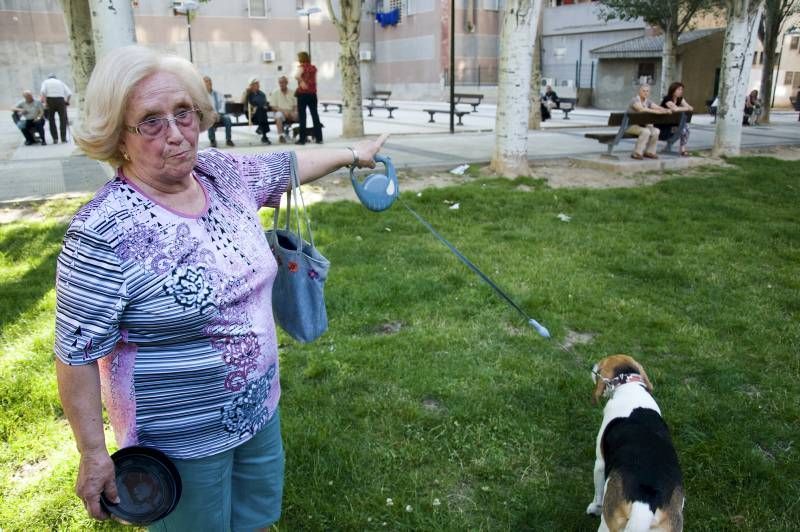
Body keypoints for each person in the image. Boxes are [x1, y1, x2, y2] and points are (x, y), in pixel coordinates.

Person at [58, 45, 388, 531]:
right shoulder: (101, 232)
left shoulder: (223, 174)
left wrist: (351, 155)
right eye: (150, 121)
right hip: (178, 442)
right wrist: (92, 452)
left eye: (183, 113)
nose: (175, 134)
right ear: (117, 138)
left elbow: (287, 165)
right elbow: (76, 353)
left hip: (258, 410)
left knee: (254, 520)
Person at [627, 84, 670, 160]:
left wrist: (665, 110)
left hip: (643, 126)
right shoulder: (635, 100)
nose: (645, 93)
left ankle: (649, 152)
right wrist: (656, 112)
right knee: (646, 131)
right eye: (643, 91)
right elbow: (641, 109)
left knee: (656, 131)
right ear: (639, 91)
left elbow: (657, 107)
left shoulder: (648, 102)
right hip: (631, 126)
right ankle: (637, 153)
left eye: (647, 91)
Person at [294, 51, 323, 145]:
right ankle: (319, 138)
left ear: (301, 58)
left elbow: (296, 76)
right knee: (315, 115)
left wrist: (302, 83)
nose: (298, 60)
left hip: (302, 94)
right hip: (312, 94)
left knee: (303, 117)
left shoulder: (301, 67)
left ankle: (302, 139)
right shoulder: (313, 68)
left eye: (299, 58)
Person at [658, 81, 693, 156]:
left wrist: (683, 108)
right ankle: (669, 147)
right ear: (673, 90)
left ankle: (682, 149)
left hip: (673, 125)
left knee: (686, 129)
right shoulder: (667, 99)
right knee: (683, 129)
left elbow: (690, 108)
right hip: (663, 127)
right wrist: (684, 108)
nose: (681, 91)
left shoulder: (680, 99)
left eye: (681, 90)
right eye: (679, 89)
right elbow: (675, 109)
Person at [40, 72, 72, 144]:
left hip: (50, 100)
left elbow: (42, 92)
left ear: (49, 78)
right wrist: (67, 101)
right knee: (63, 120)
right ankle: (63, 139)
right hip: (60, 100)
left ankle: (55, 139)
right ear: (55, 78)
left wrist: (45, 103)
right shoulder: (60, 82)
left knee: (51, 120)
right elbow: (69, 93)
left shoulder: (45, 82)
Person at [203, 75, 234, 148]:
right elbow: (203, 107)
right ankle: (212, 140)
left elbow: (222, 103)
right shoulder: (203, 96)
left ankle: (228, 139)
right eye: (206, 82)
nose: (209, 84)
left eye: (210, 82)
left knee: (228, 119)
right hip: (210, 115)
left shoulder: (218, 94)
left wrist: (219, 113)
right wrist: (211, 114)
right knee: (209, 120)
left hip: (220, 114)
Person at [268, 76, 298, 144]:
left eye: (283, 82)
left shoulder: (292, 92)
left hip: (291, 111)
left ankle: (301, 135)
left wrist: (295, 112)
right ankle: (281, 136)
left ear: (287, 83)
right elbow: (273, 107)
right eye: (280, 82)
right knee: (278, 116)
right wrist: (284, 111)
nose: (281, 84)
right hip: (280, 112)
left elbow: (295, 105)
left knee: (297, 115)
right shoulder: (275, 92)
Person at [242, 77, 271, 144]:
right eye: (256, 84)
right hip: (251, 114)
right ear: (251, 85)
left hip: (260, 114)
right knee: (262, 114)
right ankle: (264, 136)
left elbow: (265, 104)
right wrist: (246, 93)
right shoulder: (248, 93)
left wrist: (265, 106)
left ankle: (262, 131)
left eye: (258, 84)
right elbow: (242, 101)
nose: (258, 85)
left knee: (261, 110)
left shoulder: (262, 94)